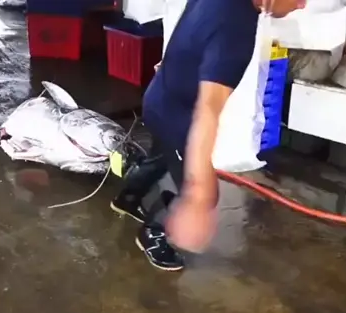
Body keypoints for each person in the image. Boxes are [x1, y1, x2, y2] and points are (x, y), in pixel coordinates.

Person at [111, 0, 306, 271]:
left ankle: (128, 198)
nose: (302, 5)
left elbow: (189, 29)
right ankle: (154, 232)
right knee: (202, 193)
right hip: (176, 116)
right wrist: (199, 196)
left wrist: (174, 61)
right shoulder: (236, 29)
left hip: (158, 96)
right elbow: (208, 108)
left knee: (161, 156)